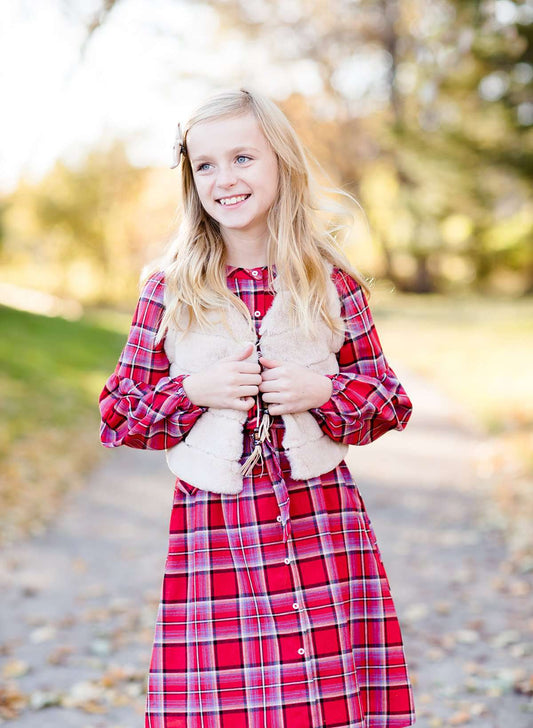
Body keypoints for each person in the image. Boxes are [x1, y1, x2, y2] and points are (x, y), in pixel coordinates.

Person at [98, 87, 416, 728]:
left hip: (321, 525)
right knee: (228, 704)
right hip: (216, 534)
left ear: (281, 164)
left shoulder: (330, 283)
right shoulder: (171, 289)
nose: (225, 179)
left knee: (322, 695)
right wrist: (194, 391)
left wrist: (324, 394)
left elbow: (390, 399)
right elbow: (118, 413)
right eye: (205, 165)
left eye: (243, 157)